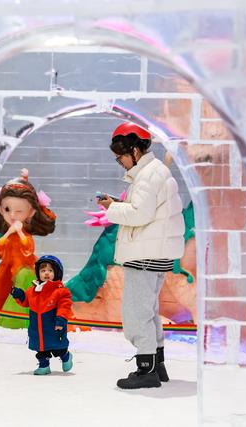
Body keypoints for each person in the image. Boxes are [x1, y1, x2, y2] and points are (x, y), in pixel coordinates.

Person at [98, 122, 185, 389]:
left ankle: (146, 370)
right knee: (149, 311)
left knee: (136, 313)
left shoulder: (148, 175)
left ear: (134, 151)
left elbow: (139, 214)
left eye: (120, 157)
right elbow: (144, 210)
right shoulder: (154, 172)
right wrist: (118, 205)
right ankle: (157, 365)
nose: (120, 163)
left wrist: (112, 208)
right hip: (154, 254)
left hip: (145, 255)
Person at [0, 169, 56, 327]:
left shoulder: (25, 234)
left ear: (31, 212)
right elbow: (0, 251)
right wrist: (9, 232)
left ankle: (18, 321)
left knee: (25, 285)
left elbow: (28, 250)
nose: (12, 215)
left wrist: (18, 232)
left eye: (19, 211)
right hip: (6, 267)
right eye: (7, 210)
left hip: (23, 268)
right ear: (0, 209)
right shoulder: (7, 233)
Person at [11, 255, 74, 375]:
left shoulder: (60, 291)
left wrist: (61, 320)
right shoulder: (33, 290)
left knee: (58, 348)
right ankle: (44, 365)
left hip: (54, 327)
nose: (46, 273)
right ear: (38, 273)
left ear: (57, 273)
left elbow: (64, 307)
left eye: (50, 270)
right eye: (43, 270)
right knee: (41, 349)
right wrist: (18, 294)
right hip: (37, 329)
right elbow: (25, 301)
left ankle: (66, 356)